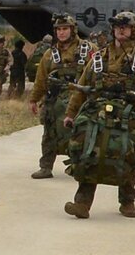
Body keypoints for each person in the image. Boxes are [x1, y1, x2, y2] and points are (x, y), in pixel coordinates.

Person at [62, 11, 135, 218]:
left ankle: (127, 201)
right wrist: (71, 113)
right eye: (117, 27)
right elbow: (82, 87)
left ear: (133, 30)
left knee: (129, 156)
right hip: (98, 114)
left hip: (129, 116)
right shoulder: (99, 57)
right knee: (89, 153)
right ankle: (82, 203)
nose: (121, 30)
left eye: (125, 26)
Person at [27, 14, 91, 179]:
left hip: (80, 99)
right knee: (49, 133)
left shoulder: (88, 50)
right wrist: (34, 99)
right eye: (59, 29)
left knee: (81, 133)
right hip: (54, 100)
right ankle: (46, 167)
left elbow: (99, 72)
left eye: (65, 29)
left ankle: (79, 165)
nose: (61, 32)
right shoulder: (50, 54)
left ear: (73, 30)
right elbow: (41, 79)